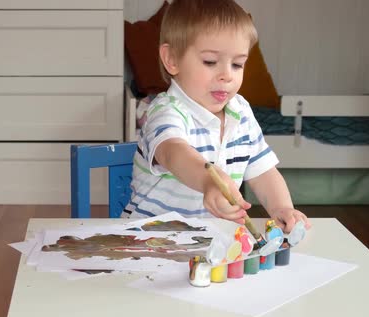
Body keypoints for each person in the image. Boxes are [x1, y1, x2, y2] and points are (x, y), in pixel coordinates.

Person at [122, 0, 310, 233]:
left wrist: (282, 208)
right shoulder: (164, 111)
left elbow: (263, 171)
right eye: (210, 62)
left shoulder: (241, 112)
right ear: (171, 59)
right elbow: (173, 152)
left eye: (238, 64)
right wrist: (209, 181)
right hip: (149, 240)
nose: (226, 75)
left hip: (212, 241)